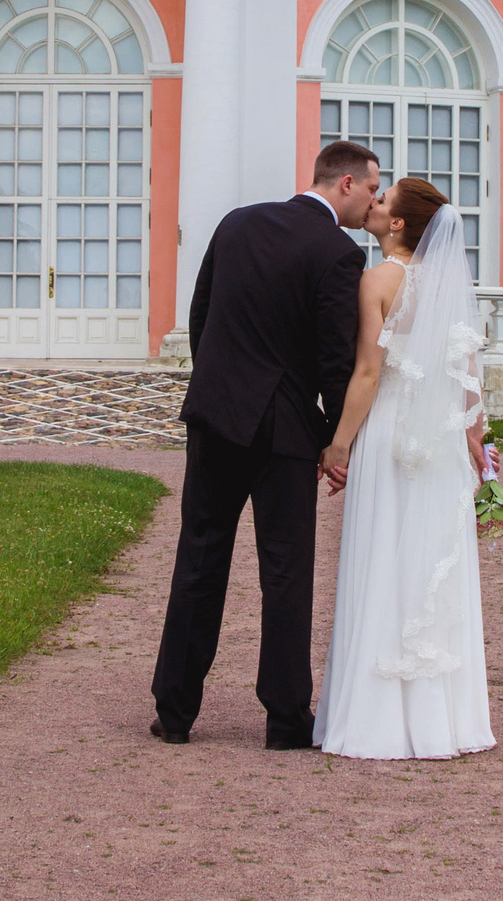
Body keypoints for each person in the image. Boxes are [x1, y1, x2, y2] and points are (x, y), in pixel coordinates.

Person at [150, 139, 381, 748]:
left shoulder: (236, 223)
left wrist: (220, 387)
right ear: (346, 185)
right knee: (285, 572)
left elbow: (201, 317)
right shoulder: (337, 253)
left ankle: (174, 711)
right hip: (283, 431)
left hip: (215, 417)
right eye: (373, 189)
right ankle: (284, 719)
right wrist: (337, 443)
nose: (374, 203)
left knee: (199, 559)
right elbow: (336, 362)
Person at [313, 176, 495, 761]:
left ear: (397, 225)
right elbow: (468, 373)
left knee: (383, 556)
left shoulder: (378, 280)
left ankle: (375, 718)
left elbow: (367, 374)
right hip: (440, 438)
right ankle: (445, 719)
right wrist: (476, 439)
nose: (373, 203)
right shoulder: (444, 285)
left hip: (391, 429)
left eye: (383, 200)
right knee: (430, 566)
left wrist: (338, 444)